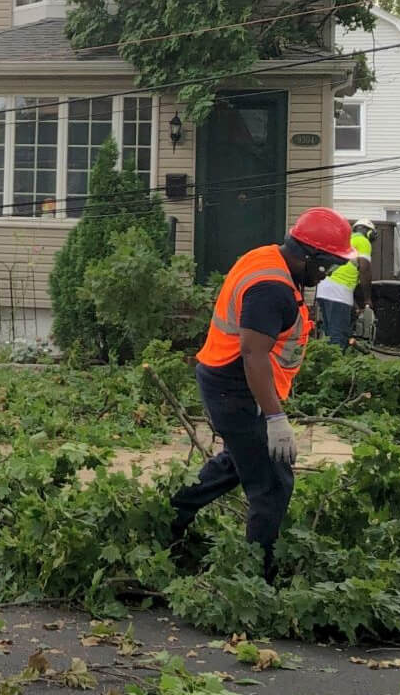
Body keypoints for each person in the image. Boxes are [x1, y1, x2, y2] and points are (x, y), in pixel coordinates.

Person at [169, 207, 357, 582]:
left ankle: (171, 516)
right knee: (272, 482)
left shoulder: (269, 258)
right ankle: (258, 578)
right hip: (234, 387)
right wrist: (274, 418)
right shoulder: (272, 289)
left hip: (228, 381)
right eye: (328, 265)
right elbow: (253, 354)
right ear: (308, 256)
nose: (330, 273)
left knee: (239, 463)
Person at [314, 218, 375, 349]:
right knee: (338, 336)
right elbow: (365, 270)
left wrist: (354, 305)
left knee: (329, 332)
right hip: (338, 291)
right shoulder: (363, 241)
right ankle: (336, 366)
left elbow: (343, 272)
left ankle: (326, 362)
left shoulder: (345, 241)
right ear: (369, 233)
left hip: (324, 288)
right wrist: (367, 299)